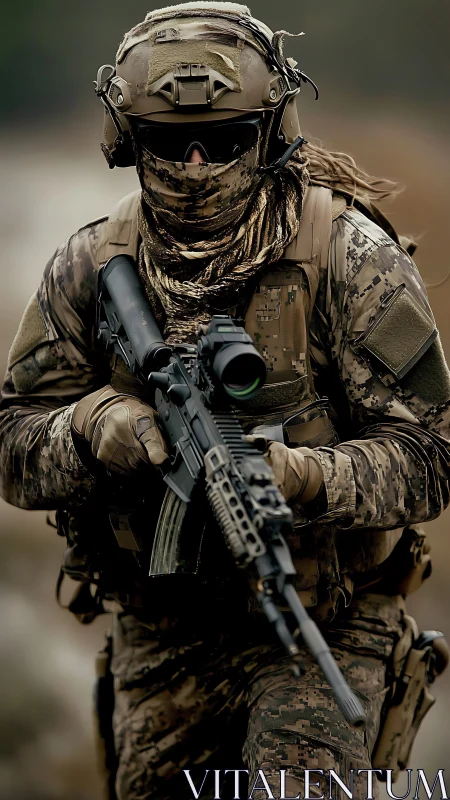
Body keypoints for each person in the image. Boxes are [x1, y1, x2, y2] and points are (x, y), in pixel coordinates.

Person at [1, 3, 449, 799]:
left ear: (273, 133)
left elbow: (432, 456)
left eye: (229, 138)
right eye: (170, 144)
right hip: (161, 633)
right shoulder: (89, 265)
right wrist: (92, 423)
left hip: (325, 624)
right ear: (126, 142)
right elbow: (11, 440)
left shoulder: (349, 257)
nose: (198, 165)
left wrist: (308, 477)